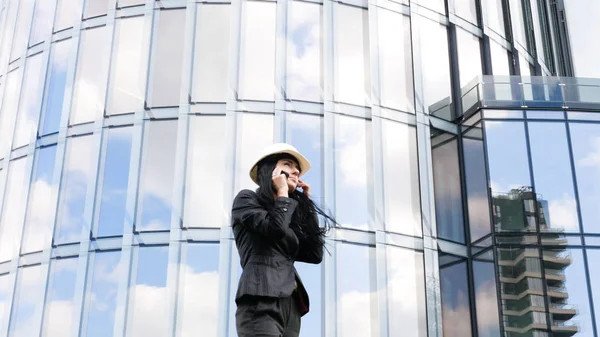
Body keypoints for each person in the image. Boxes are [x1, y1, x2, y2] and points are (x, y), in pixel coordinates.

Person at [231, 143, 336, 337]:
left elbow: (315, 254)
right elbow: (275, 229)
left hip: (291, 304)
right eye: (288, 164)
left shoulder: (285, 214)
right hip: (261, 297)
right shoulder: (246, 200)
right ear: (269, 169)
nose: (296, 171)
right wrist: (282, 193)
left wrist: (308, 205)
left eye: (297, 169)